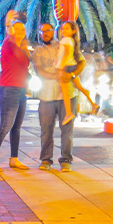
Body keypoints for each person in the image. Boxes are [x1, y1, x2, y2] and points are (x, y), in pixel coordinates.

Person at [0, 21, 31, 172]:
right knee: (5, 125)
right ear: (10, 30)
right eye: (16, 28)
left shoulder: (22, 48)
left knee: (16, 127)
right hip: (8, 89)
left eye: (22, 29)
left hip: (21, 90)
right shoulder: (8, 44)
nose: (20, 31)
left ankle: (14, 158)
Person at [31, 23, 76, 172]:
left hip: (66, 94)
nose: (45, 34)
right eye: (42, 31)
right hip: (47, 95)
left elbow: (77, 62)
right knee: (46, 129)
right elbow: (40, 71)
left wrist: (71, 75)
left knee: (67, 130)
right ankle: (46, 159)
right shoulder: (38, 51)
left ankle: (66, 160)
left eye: (47, 31)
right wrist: (56, 75)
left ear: (53, 32)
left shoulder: (63, 44)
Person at [56, 21, 99, 125]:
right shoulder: (71, 41)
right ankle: (93, 104)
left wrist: (60, 67)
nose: (63, 31)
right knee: (80, 87)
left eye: (67, 29)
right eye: (63, 29)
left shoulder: (65, 40)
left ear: (73, 31)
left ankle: (69, 113)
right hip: (72, 65)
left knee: (65, 91)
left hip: (66, 67)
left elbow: (65, 54)